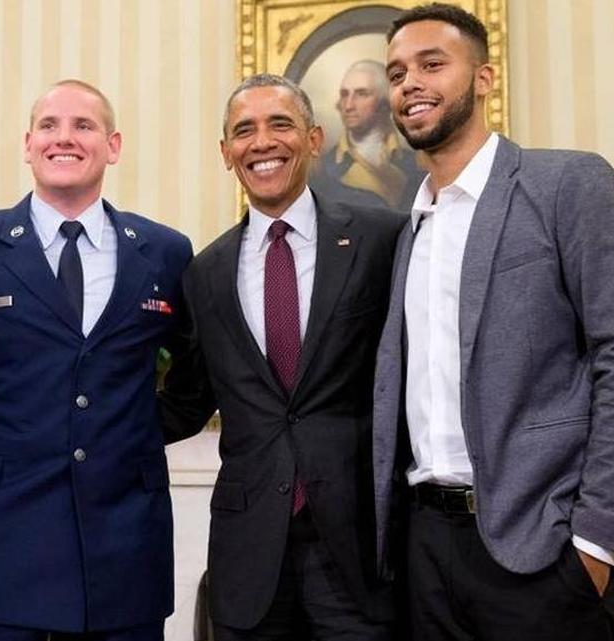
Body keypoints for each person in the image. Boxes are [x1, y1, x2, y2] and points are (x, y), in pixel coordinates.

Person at [372, 4, 614, 640]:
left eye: (433, 64)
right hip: (429, 549)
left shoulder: (567, 182)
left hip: (546, 547)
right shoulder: (412, 227)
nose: (411, 84)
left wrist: (595, 540)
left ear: (484, 79)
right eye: (397, 72)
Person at [0, 79, 192, 641]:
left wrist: (132, 430)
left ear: (112, 146)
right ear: (27, 143)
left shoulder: (165, 252)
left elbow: (196, 372)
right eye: (49, 125)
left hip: (121, 558)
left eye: (83, 126)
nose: (64, 138)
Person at [160, 74, 404, 641]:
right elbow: (189, 399)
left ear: (315, 139)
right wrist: (81, 428)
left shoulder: (379, 240)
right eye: (244, 130)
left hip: (359, 551)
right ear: (226, 154)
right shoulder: (205, 272)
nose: (262, 142)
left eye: (281, 124)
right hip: (250, 553)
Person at [310, 59, 423, 213]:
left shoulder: (416, 163)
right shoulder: (325, 168)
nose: (349, 105)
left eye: (361, 94)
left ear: (384, 101)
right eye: (344, 95)